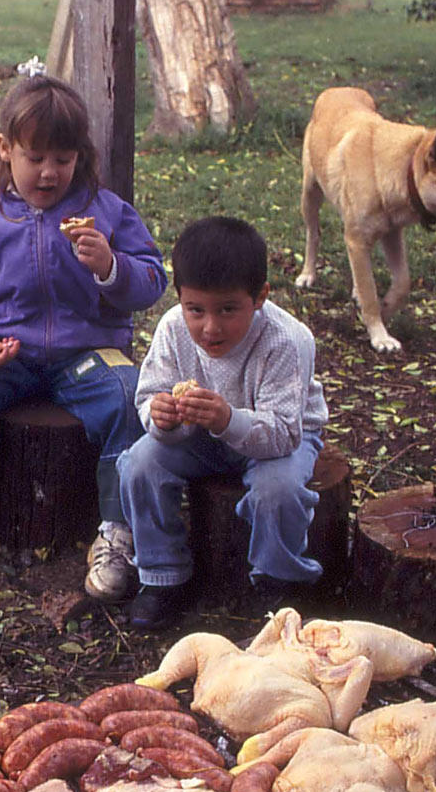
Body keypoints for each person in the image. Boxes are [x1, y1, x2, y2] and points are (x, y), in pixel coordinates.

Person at [0, 75, 168, 602]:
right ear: (6, 149)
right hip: (8, 354)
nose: (49, 172)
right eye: (35, 157)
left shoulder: (107, 211)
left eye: (63, 159)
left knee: (129, 398)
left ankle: (117, 530)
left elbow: (152, 279)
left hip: (90, 351)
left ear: (80, 156)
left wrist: (111, 266)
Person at [116, 216, 329, 630]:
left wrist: (228, 419)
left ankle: (279, 580)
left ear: (260, 296)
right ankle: (162, 575)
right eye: (196, 310)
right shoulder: (173, 329)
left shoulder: (287, 340)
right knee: (139, 464)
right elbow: (149, 395)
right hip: (201, 436)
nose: (210, 328)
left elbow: (285, 432)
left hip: (279, 439)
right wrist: (161, 418)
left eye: (228, 310)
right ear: (180, 298)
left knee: (278, 490)